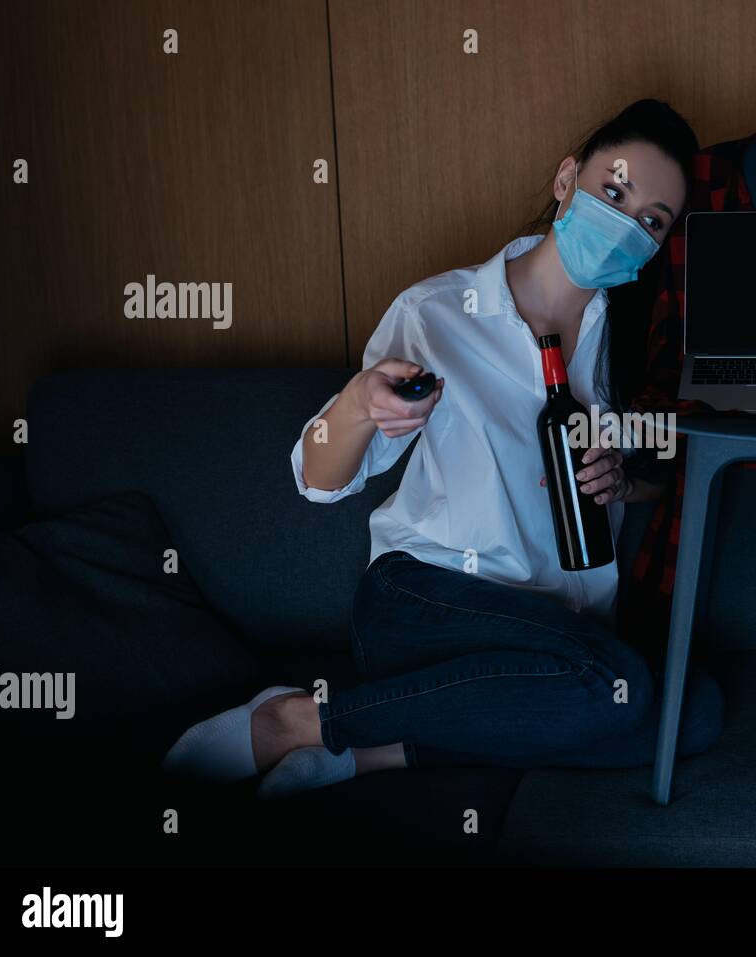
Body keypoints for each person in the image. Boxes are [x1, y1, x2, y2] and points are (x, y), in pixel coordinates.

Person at [163, 99, 724, 797]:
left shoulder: (632, 349)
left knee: (693, 712)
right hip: (425, 607)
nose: (623, 224)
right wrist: (360, 403)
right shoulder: (438, 314)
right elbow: (316, 477)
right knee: (615, 684)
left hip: (556, 636)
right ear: (566, 180)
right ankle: (297, 721)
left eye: (649, 220)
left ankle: (374, 752)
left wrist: (623, 479)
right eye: (613, 191)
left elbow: (662, 480)